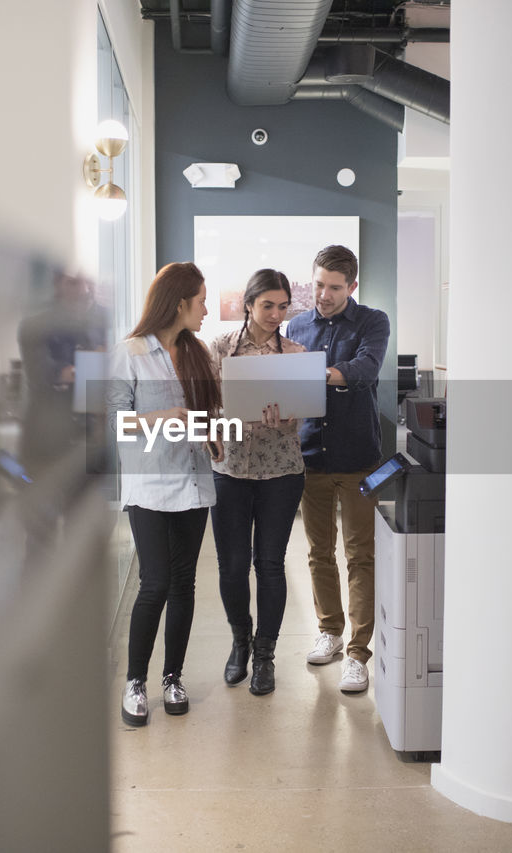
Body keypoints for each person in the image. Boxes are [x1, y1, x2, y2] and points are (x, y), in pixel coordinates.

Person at [106, 262, 222, 726]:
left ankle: (172, 677)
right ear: (179, 303)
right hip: (149, 484)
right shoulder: (129, 353)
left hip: (193, 481)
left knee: (184, 585)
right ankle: (135, 681)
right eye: (201, 301)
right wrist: (163, 416)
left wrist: (212, 433)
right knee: (154, 583)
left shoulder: (199, 354)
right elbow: (114, 420)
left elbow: (207, 414)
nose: (206, 310)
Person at [284, 245, 390, 693]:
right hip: (311, 456)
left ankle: (358, 654)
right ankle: (329, 631)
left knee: (361, 556)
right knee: (318, 552)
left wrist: (312, 373)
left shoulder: (372, 321)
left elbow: (364, 369)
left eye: (334, 287)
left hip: (358, 456)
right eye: (318, 285)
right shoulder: (297, 325)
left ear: (352, 286)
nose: (323, 295)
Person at [208, 269, 307, 696]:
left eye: (283, 306)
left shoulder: (296, 353)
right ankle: (239, 642)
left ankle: (265, 653)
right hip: (229, 471)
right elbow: (205, 407)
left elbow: (297, 421)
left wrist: (287, 423)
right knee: (231, 566)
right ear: (248, 304)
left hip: (281, 473)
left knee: (269, 564)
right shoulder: (218, 350)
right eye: (268, 305)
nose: (276, 314)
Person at [17, 268, 110, 568]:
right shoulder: (35, 325)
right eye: (73, 281)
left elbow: (97, 376)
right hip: (45, 444)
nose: (81, 288)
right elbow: (48, 374)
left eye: (85, 281)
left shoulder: (94, 324)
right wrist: (90, 367)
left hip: (85, 440)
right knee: (39, 538)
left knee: (81, 534)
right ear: (57, 284)